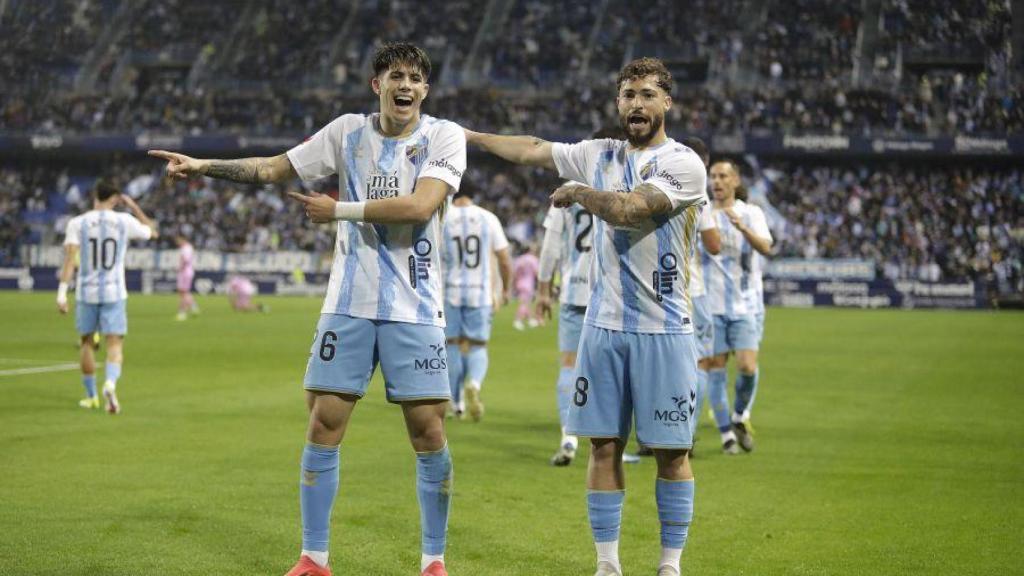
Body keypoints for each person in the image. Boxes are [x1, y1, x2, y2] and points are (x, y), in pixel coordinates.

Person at [149, 42, 464, 576]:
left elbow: (420, 206)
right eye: (394, 76)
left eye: (414, 77)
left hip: (415, 306)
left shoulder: (444, 136)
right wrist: (203, 165)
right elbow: (274, 168)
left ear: (425, 89)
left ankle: (433, 560)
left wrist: (337, 209)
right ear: (377, 85)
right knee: (323, 423)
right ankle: (315, 557)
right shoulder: (346, 132)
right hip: (347, 303)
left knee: (428, 432)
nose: (404, 85)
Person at [466, 57, 706, 576]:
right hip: (603, 327)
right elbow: (531, 148)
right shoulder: (597, 153)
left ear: (667, 102)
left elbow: (629, 210)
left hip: (664, 329)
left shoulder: (684, 163)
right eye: (627, 95)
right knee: (603, 447)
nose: (636, 104)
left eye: (646, 94)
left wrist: (578, 193)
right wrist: (467, 135)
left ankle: (670, 565)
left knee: (671, 453)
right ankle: (607, 564)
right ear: (617, 103)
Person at [634, 136, 719, 458]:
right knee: (697, 363)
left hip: (653, 288)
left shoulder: (646, 185)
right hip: (689, 290)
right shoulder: (699, 192)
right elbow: (713, 244)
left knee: (651, 363)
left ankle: (648, 433)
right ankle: (684, 432)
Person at [57, 180, 159, 414]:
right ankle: (110, 384)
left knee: (86, 343)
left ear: (95, 196)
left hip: (86, 293)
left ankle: (91, 396)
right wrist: (133, 207)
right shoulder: (124, 221)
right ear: (115, 199)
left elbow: (70, 260)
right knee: (114, 344)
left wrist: (62, 295)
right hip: (114, 292)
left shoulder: (77, 223)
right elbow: (153, 232)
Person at [702, 161, 773, 455]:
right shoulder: (702, 213)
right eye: (713, 176)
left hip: (745, 305)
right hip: (712, 306)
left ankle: (739, 415)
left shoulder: (751, 212)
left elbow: (767, 247)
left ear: (735, 180)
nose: (717, 181)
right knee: (715, 370)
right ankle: (726, 434)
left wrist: (742, 228)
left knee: (747, 365)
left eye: (723, 176)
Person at [442, 187, 512, 421]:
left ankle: (457, 403)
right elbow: (504, 258)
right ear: (474, 194)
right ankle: (473, 382)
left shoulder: (443, 218)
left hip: (449, 291)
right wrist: (505, 288)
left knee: (452, 346)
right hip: (480, 293)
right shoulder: (488, 218)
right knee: (477, 346)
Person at [512, 243, 540, 330]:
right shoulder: (533, 259)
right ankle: (518, 320)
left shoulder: (519, 259)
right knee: (524, 303)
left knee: (525, 302)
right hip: (528, 283)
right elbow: (537, 272)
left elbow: (515, 273)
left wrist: (514, 284)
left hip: (519, 283)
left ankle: (530, 319)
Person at [175, 235, 200, 321]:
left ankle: (182, 312)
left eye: (178, 240)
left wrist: (180, 268)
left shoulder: (186, 248)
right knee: (183, 291)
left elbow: (185, 260)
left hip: (185, 272)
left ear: (183, 239)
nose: (177, 242)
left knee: (184, 292)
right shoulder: (188, 248)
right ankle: (194, 306)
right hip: (187, 272)